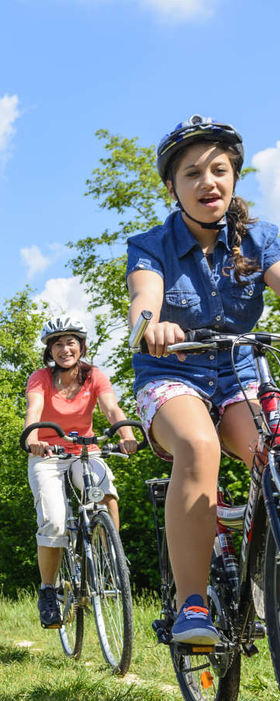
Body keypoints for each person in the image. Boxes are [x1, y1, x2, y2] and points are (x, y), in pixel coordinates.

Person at [127, 114, 280, 644]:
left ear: (234, 177)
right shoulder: (150, 244)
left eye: (218, 170)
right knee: (198, 446)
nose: (207, 182)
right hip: (171, 373)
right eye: (191, 174)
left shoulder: (261, 238)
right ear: (173, 187)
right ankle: (192, 604)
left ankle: (259, 569)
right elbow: (143, 301)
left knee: (272, 450)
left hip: (237, 371)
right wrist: (153, 326)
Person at [24, 317, 137, 629]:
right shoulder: (40, 378)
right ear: (49, 350)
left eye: (70, 342)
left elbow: (112, 409)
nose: (65, 349)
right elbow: (33, 410)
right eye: (57, 344)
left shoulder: (94, 376)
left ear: (81, 345)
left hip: (85, 449)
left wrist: (125, 433)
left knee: (107, 493)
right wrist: (33, 437)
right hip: (47, 454)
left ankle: (112, 554)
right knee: (55, 522)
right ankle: (48, 591)